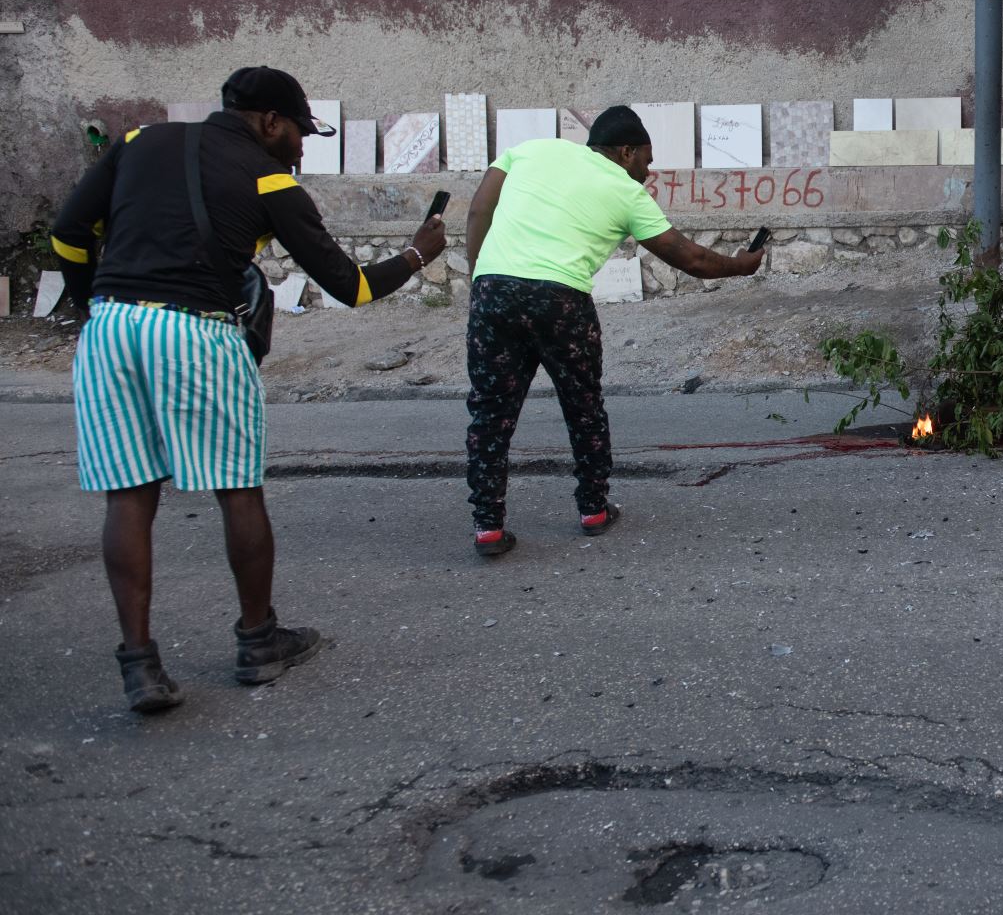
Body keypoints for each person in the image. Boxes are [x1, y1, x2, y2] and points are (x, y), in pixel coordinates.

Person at [51, 66, 447, 713]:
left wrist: (91, 307)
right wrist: (415, 255)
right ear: (269, 121)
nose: (300, 147)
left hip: (111, 327)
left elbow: (68, 237)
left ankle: (141, 663)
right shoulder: (269, 181)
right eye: (298, 133)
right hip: (197, 332)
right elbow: (353, 288)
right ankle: (259, 640)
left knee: (128, 494)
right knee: (237, 490)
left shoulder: (139, 141)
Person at [463, 104, 764, 557]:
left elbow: (478, 211)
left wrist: (480, 281)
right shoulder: (626, 192)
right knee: (583, 404)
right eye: (646, 157)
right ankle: (593, 509)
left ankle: (487, 525)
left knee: (490, 413)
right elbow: (693, 260)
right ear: (626, 151)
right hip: (561, 300)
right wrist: (742, 267)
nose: (649, 167)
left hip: (492, 292)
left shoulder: (532, 150)